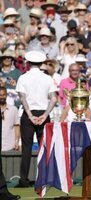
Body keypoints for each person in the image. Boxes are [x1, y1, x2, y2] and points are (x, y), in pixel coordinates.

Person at [15, 50, 57, 187]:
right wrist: (45, 115)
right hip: (44, 113)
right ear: (42, 63)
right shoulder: (48, 78)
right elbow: (54, 99)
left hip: (29, 115)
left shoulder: (23, 78)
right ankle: (45, 179)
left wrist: (30, 115)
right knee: (45, 147)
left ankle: (23, 180)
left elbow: (23, 98)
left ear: (28, 63)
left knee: (26, 148)